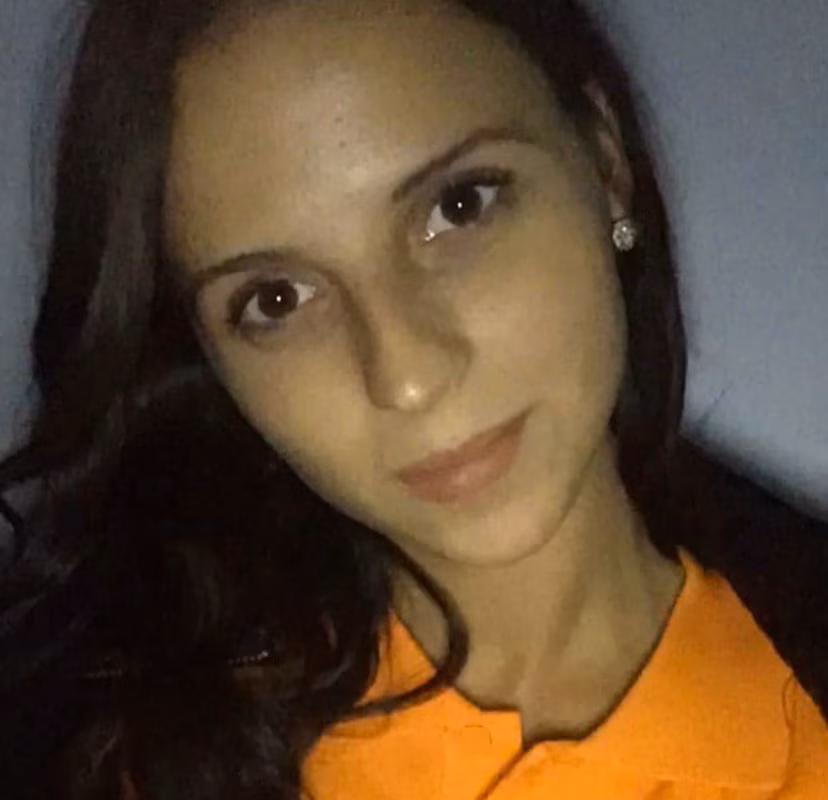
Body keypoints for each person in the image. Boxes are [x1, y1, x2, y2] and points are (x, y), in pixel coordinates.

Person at [1, 0, 827, 797]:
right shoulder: (116, 748)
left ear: (604, 162)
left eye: (459, 206)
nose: (406, 376)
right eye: (277, 300)